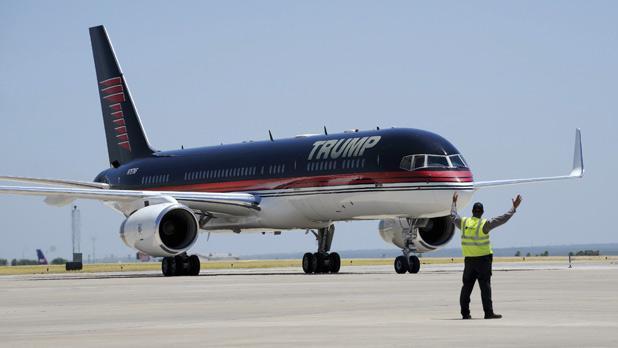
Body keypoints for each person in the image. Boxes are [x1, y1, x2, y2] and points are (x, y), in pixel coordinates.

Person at [451, 192, 522, 319]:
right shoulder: (485, 224)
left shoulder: (464, 223)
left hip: (469, 261)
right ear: (482, 212)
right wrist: (513, 208)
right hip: (483, 261)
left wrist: (454, 203)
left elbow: (453, 216)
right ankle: (488, 313)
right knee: (485, 287)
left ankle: (465, 314)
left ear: (472, 211)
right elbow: (502, 219)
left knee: (466, 287)